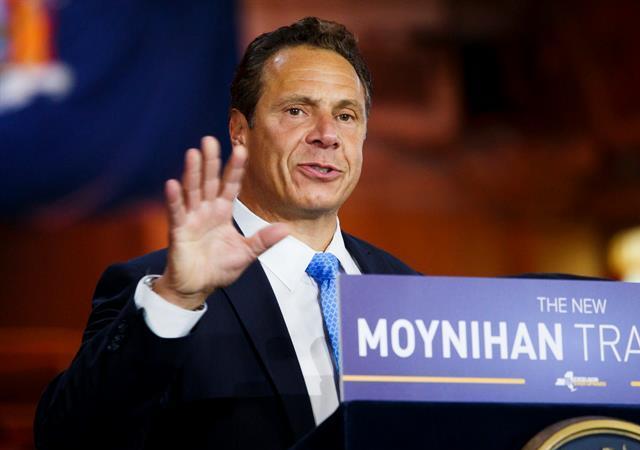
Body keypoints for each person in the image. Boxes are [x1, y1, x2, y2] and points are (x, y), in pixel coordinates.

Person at [34, 17, 417, 450]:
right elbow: (69, 440)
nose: (327, 135)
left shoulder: (408, 291)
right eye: (297, 110)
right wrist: (175, 300)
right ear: (240, 132)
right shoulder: (162, 291)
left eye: (346, 116)